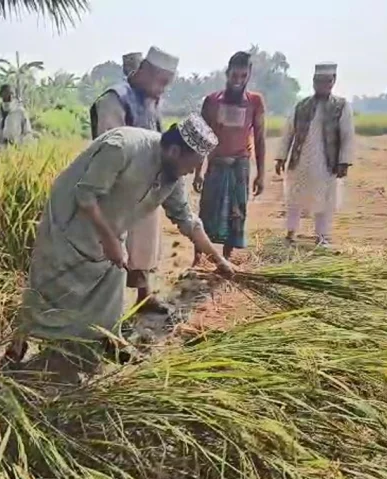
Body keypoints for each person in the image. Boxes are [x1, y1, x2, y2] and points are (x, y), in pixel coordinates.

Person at [20, 115, 235, 356]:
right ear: (175, 151)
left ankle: (108, 339)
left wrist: (219, 260)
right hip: (71, 220)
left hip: (110, 225)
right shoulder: (123, 147)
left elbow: (187, 221)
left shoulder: (173, 176)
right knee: (50, 286)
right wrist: (109, 239)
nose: (192, 171)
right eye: (192, 164)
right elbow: (85, 197)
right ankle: (18, 341)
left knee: (109, 289)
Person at [90, 46, 177, 315]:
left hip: (146, 186)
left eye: (167, 84)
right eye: (161, 82)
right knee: (115, 251)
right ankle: (106, 313)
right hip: (120, 189)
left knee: (144, 245)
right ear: (145, 72)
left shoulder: (152, 100)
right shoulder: (115, 100)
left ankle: (143, 296)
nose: (162, 89)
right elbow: (109, 146)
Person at [193, 51, 266, 264]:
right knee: (206, 211)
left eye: (243, 76)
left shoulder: (255, 102)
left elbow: (260, 139)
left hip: (240, 166)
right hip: (216, 165)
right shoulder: (212, 101)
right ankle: (198, 258)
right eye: (235, 76)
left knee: (236, 214)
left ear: (249, 75)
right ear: (227, 73)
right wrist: (198, 172)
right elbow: (202, 138)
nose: (238, 81)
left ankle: (225, 258)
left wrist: (261, 175)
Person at [275, 63, 355, 247]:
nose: (322, 85)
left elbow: (347, 136)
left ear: (333, 81)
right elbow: (288, 132)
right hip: (300, 160)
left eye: (327, 81)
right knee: (294, 198)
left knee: (325, 200)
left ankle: (322, 236)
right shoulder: (302, 106)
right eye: (318, 81)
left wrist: (344, 162)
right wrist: (281, 157)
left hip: (326, 162)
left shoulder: (341, 106)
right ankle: (290, 233)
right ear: (313, 82)